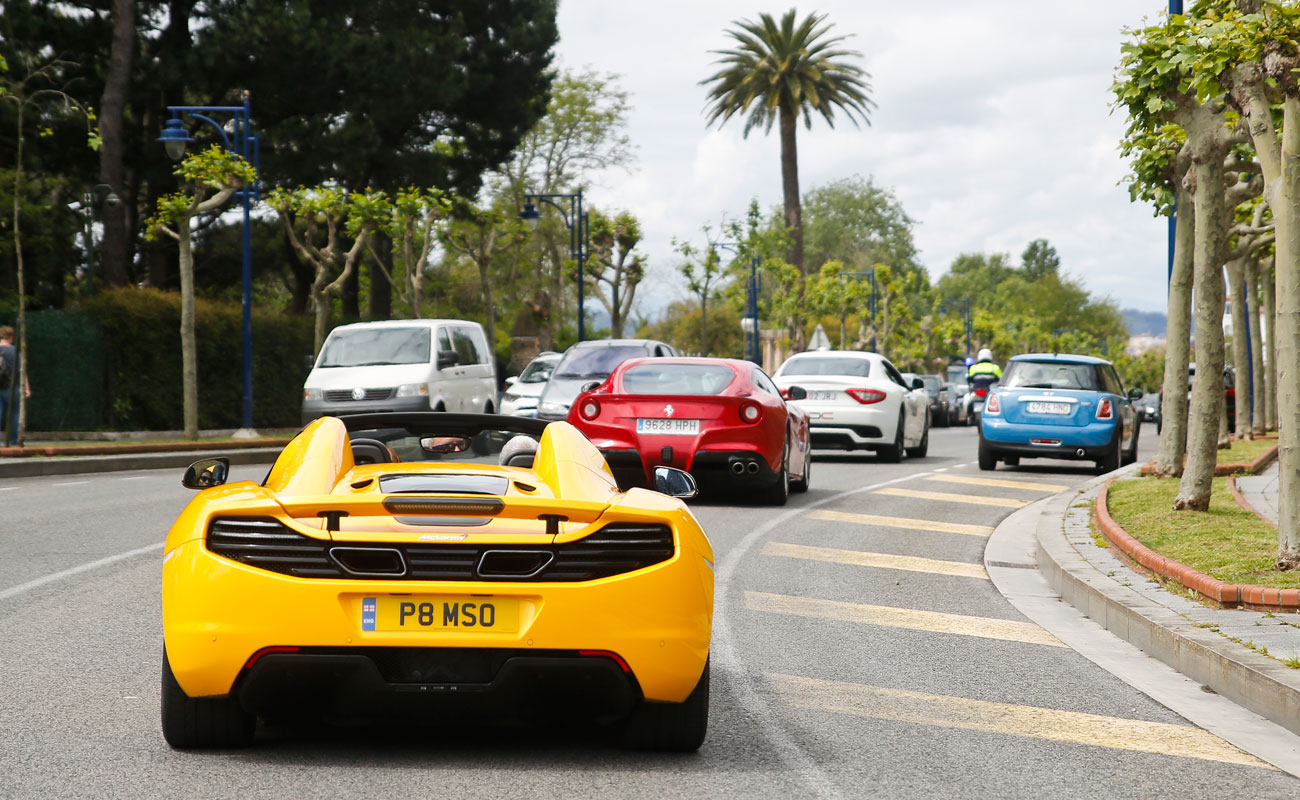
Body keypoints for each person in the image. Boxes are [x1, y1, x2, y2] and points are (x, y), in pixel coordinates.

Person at [0, 325, 32, 447]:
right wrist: (27, 388)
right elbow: (22, 371)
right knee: (14, 414)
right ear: (11, 337)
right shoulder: (14, 351)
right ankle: (13, 441)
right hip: (11, 387)